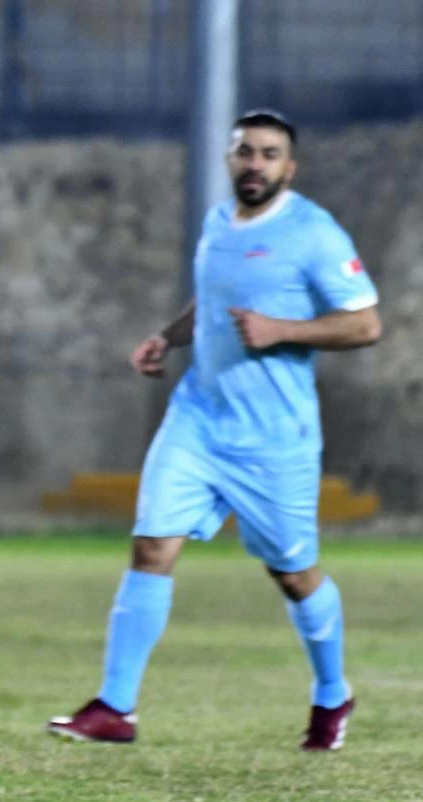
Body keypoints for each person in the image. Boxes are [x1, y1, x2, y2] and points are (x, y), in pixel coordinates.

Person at [47, 110, 382, 750]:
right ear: (230, 159)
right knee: (151, 547)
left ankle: (332, 694)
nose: (254, 163)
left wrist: (283, 330)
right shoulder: (219, 222)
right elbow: (213, 303)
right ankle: (116, 707)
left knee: (293, 574)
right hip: (199, 418)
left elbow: (364, 325)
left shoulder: (315, 234)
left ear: (291, 167)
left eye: (269, 154)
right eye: (244, 151)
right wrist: (167, 340)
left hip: (274, 438)